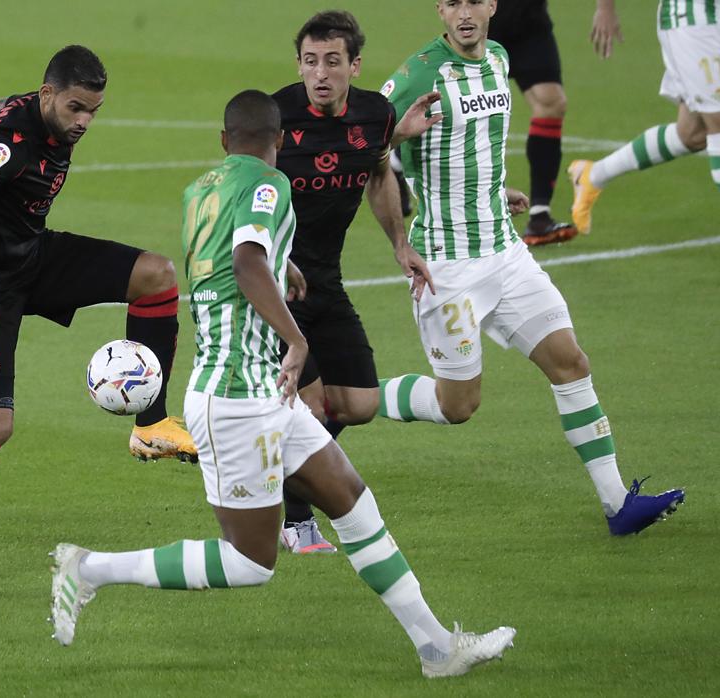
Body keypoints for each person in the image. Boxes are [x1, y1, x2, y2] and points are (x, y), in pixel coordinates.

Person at [48, 90, 517, 679]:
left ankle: (436, 651)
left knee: (354, 503)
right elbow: (244, 262)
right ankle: (89, 568)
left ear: (224, 142)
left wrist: (283, 265)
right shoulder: (271, 187)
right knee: (251, 562)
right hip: (235, 399)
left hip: (262, 393)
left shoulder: (202, 190)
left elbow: (226, 258)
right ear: (282, 141)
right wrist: (297, 340)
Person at [0, 46, 195, 606]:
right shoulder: (16, 141)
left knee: (157, 275)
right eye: (76, 108)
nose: (84, 122)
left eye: (94, 112)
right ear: (48, 95)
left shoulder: (31, 116)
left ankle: (149, 425)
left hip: (29, 257)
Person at [376, 0, 685, 535]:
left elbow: (478, 149)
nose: (464, 12)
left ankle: (618, 505)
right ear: (439, 10)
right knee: (458, 405)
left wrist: (496, 193)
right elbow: (361, 145)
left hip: (506, 252)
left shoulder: (498, 58)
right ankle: (345, 394)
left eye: (474, 1)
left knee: (570, 362)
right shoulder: (418, 73)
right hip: (446, 269)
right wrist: (397, 143)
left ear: (492, 4)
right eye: (452, 3)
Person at [270, 11, 439, 555]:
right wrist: (271, 259)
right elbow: (239, 195)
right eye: (310, 62)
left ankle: (272, 461)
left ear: (354, 66)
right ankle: (296, 520)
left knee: (360, 403)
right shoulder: (275, 117)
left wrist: (400, 244)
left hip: (325, 281)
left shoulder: (375, 115)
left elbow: (378, 171)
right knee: (314, 407)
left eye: (333, 62)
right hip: (271, 287)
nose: (320, 73)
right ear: (298, 64)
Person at [569, 0, 720, 233]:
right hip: (693, 18)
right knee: (718, 122)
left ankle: (593, 175)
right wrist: (605, 8)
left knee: (693, 133)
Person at [486, 0, 580, 245]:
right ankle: (399, 159)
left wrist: (605, 7)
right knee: (464, 102)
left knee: (551, 104)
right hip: (483, 20)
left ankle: (539, 217)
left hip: (530, 19)